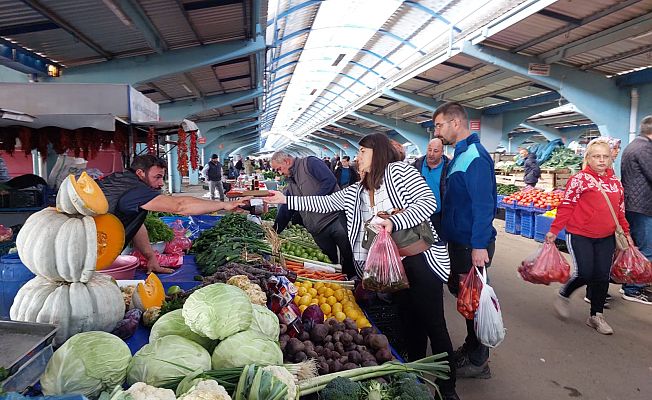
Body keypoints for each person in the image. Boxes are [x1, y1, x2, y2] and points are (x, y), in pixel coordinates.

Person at [264, 134, 459, 400]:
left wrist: (394, 222)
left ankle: (448, 391)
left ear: (377, 153)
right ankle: (420, 374)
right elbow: (326, 202)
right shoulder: (357, 189)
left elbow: (427, 202)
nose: (357, 157)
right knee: (409, 323)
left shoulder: (398, 171)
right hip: (389, 269)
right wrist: (286, 200)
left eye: (362, 152)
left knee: (434, 324)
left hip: (417, 260)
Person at [98, 155, 245, 274]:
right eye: (157, 177)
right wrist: (224, 205)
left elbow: (137, 224)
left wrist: (151, 258)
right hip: (89, 251)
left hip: (96, 247)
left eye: (163, 177)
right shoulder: (136, 189)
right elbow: (179, 206)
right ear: (140, 173)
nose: (161, 183)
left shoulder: (123, 180)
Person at [433, 102, 496, 379]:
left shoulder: (475, 156)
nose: (436, 131)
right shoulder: (459, 155)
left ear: (455, 123)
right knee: (465, 296)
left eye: (439, 125)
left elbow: (484, 204)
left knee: (475, 300)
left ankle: (480, 360)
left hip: (472, 243)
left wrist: (480, 245)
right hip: (460, 240)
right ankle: (472, 346)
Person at [548, 140, 630, 335]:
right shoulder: (579, 180)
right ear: (588, 158)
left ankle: (596, 315)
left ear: (611, 159)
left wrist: (626, 233)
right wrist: (554, 229)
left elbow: (619, 212)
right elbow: (567, 206)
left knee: (602, 276)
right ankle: (564, 293)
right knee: (585, 273)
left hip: (606, 237)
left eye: (605, 156)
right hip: (579, 235)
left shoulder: (615, 183)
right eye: (596, 156)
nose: (601, 160)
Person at [270, 151, 355, 278]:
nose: (279, 173)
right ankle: (341, 283)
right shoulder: (290, 183)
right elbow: (286, 209)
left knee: (348, 255)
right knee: (330, 264)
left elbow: (330, 181)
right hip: (317, 230)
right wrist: (274, 230)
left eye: (279, 169)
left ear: (287, 161)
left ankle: (354, 282)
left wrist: (314, 202)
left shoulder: (310, 163)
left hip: (334, 219)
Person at [620, 116, 652, 305]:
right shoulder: (645, 148)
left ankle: (632, 283)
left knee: (635, 247)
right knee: (646, 249)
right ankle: (633, 289)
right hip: (642, 206)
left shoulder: (635, 144)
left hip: (634, 204)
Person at [414, 138, 450, 234]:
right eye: (429, 150)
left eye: (436, 151)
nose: (431, 154)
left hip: (440, 217)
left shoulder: (449, 168)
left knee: (439, 245)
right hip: (419, 216)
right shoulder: (416, 166)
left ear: (442, 152)